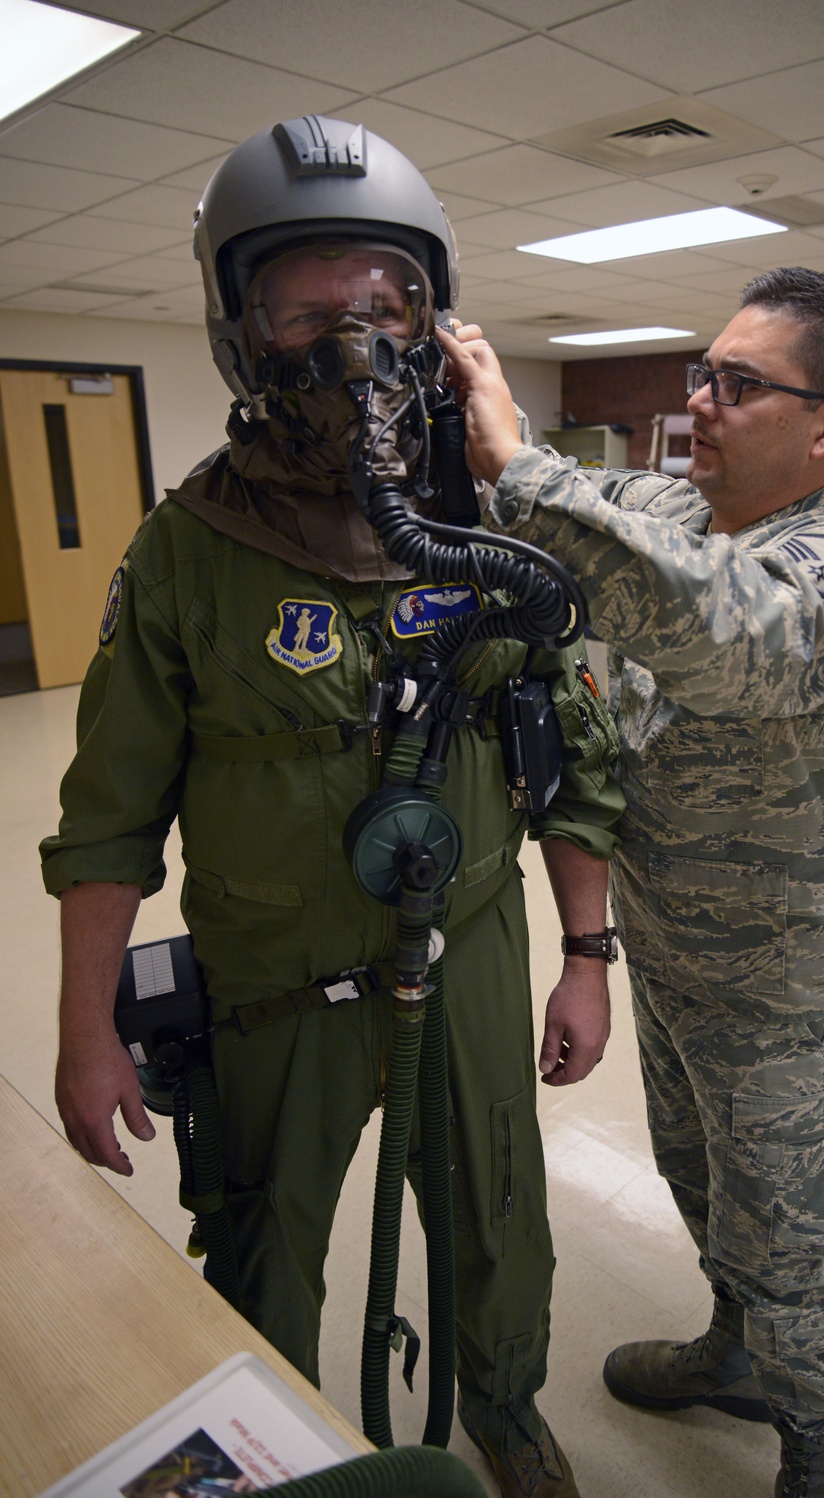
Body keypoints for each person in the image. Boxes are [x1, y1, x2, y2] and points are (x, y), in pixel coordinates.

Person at [40, 116, 625, 1498]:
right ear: (240, 329)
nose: (354, 333)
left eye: (388, 298)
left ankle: (504, 1399)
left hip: (469, 936)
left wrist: (587, 954)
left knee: (494, 1199)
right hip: (273, 972)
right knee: (263, 1234)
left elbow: (572, 757)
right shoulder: (186, 551)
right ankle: (276, 1448)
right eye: (306, 306)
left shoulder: (501, 534)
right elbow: (108, 816)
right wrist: (81, 1032)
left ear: (436, 315)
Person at [437, 266, 824, 1498]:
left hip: (773, 984)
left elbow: (727, 631)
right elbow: (599, 507)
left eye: (740, 384)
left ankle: (812, 1451)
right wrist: (488, 418)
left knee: (788, 1241)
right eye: (702, 374)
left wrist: (524, 475)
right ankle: (732, 1350)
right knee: (697, 1180)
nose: (701, 402)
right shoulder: (693, 503)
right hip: (667, 952)